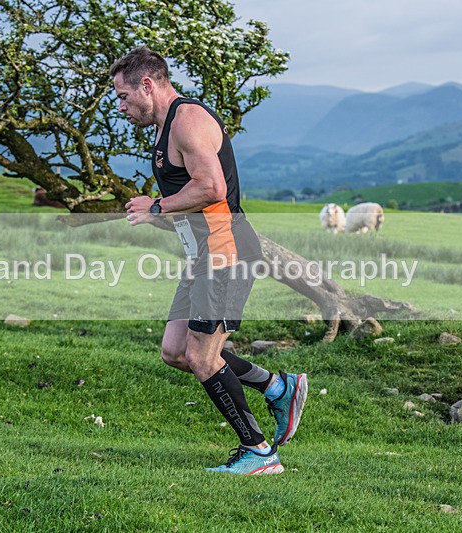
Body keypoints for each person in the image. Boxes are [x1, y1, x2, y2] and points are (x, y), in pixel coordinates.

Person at [111, 47, 308, 475]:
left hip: (225, 252)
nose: (121, 107)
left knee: (202, 357)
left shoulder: (188, 121)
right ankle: (278, 388)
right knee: (175, 351)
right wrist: (160, 212)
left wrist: (157, 206)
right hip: (203, 255)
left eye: (124, 96)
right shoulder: (166, 126)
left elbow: (212, 187)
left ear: (148, 85)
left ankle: (259, 452)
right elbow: (194, 198)